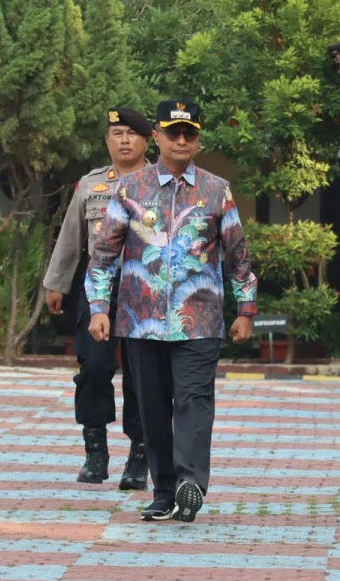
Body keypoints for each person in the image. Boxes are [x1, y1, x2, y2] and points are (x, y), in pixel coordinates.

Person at [85, 99, 258, 523]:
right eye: (173, 132)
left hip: (200, 319)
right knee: (153, 408)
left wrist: (245, 309)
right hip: (140, 320)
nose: (182, 140)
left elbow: (238, 253)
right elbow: (103, 253)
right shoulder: (130, 190)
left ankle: (191, 482)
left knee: (195, 401)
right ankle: (164, 491)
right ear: (157, 137)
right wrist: (97, 308)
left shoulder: (217, 190)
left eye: (190, 133)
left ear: (198, 140)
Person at [43, 107, 151, 489]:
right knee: (94, 366)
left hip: (146, 288)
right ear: (107, 141)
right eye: (117, 133)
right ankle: (95, 452)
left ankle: (140, 456)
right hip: (98, 287)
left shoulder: (161, 184)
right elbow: (71, 237)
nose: (124, 140)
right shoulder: (90, 186)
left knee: (143, 373)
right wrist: (56, 282)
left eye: (132, 133)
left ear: (146, 140)